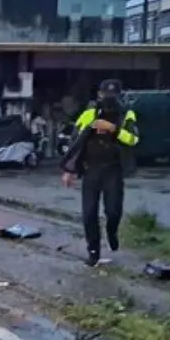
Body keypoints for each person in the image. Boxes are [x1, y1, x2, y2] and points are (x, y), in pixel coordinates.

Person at [59, 83, 139, 267]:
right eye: (105, 93)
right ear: (99, 94)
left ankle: (112, 232)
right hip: (91, 169)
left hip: (113, 169)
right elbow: (76, 142)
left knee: (113, 211)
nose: (109, 97)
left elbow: (133, 139)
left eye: (113, 93)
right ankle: (93, 252)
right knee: (89, 214)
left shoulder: (126, 114)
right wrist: (69, 170)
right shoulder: (89, 113)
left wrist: (113, 129)